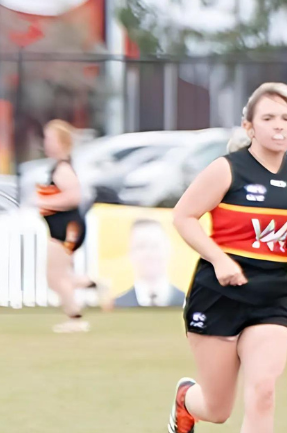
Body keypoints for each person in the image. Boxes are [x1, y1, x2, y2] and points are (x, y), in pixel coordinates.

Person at [165, 82, 287, 433]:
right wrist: (218, 259)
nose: (278, 127)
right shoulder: (227, 170)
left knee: (264, 390)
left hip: (271, 300)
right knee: (217, 407)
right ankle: (186, 401)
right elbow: (184, 216)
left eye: (285, 119)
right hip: (218, 297)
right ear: (248, 126)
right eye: (269, 118)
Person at [35, 120, 109, 332]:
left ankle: (75, 318)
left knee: (57, 276)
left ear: (61, 142)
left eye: (50, 139)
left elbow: (74, 197)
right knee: (57, 276)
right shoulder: (58, 167)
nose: (46, 143)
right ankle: (93, 284)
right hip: (60, 229)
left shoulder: (63, 169)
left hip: (67, 229)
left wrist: (45, 202)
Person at [114, 218, 186, 308]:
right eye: (141, 246)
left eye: (155, 245)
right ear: (130, 252)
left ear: (169, 250)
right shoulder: (117, 306)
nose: (149, 253)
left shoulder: (188, 303)